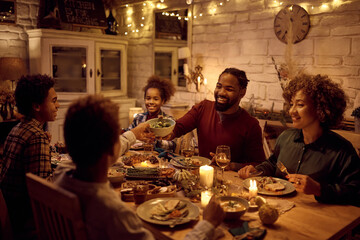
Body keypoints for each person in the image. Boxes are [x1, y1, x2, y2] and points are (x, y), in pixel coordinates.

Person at [55, 95, 225, 240]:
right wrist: (207, 224)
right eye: (117, 137)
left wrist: (133, 133)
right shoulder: (114, 214)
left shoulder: (61, 173)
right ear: (110, 149)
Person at [238, 74, 360, 206]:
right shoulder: (286, 137)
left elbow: (356, 192)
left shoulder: (342, 150)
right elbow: (274, 164)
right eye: (291, 104)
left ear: (321, 108)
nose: (291, 111)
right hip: (280, 210)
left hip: (318, 218)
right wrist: (257, 171)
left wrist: (319, 189)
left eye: (300, 105)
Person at [169, 68, 265, 170]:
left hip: (231, 181)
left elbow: (259, 164)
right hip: (199, 176)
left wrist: (232, 165)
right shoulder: (203, 108)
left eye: (229, 89)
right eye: (219, 86)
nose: (221, 92)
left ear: (242, 92)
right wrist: (163, 132)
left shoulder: (251, 124)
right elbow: (177, 128)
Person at [0, 74, 59, 238]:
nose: (58, 105)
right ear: (36, 106)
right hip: (27, 220)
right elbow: (43, 193)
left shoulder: (17, 128)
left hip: (13, 213)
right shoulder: (36, 136)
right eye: (53, 101)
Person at [126, 75, 177, 151]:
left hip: (159, 158)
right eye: (148, 98)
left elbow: (172, 144)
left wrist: (155, 141)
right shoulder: (138, 118)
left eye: (156, 99)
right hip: (139, 155)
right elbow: (129, 134)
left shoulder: (168, 121)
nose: (151, 102)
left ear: (162, 101)